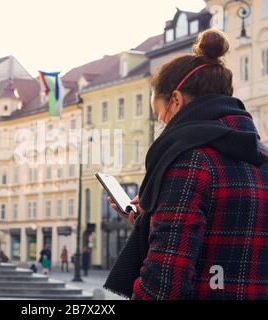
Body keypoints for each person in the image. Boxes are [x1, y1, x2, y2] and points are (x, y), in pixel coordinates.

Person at [105, 28, 268, 300]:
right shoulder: (261, 156)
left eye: (160, 116)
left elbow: (164, 284)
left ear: (176, 101)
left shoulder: (190, 161)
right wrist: (149, 221)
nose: (163, 126)